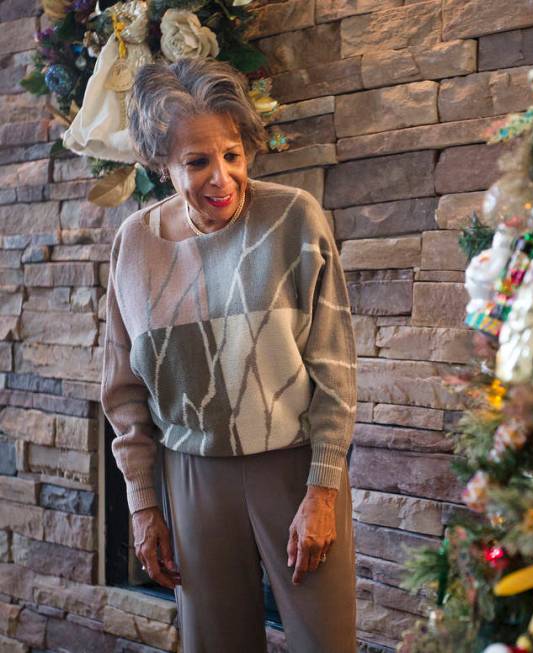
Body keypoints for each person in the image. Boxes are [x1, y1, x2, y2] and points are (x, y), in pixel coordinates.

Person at [100, 57, 357, 652]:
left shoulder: (295, 218)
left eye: (232, 155)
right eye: (197, 162)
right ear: (161, 165)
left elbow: (335, 369)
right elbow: (122, 392)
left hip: (297, 471)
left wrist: (323, 490)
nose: (221, 178)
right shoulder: (134, 246)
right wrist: (144, 506)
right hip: (191, 477)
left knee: (326, 644)